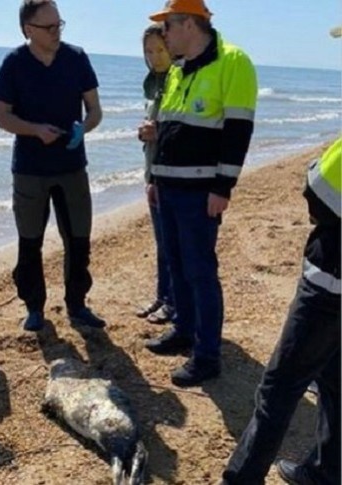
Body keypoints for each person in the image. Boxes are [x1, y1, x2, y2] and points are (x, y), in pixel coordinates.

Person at [143, 0, 258, 386]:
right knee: (175, 263)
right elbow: (176, 128)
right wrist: (155, 172)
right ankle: (183, 330)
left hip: (199, 192)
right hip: (168, 186)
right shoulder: (178, 69)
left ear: (189, 25)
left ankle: (207, 355)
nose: (163, 36)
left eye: (167, 28)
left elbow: (238, 132)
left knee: (199, 270)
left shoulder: (233, 62)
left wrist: (223, 187)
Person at [221, 138, 341, 484]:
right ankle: (325, 472)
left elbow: (318, 193)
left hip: (330, 285)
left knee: (280, 388)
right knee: (335, 380)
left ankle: (241, 480)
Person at [0, 0, 104, 332]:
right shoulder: (13, 63)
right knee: (30, 242)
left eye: (59, 25)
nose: (57, 32)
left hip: (72, 166)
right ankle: (34, 307)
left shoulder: (76, 58)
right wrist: (36, 130)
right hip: (30, 170)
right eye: (49, 27)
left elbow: (95, 110)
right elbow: (3, 118)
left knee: (79, 239)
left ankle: (77, 305)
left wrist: (86, 127)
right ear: (29, 29)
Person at [136, 23, 175, 325]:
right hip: (152, 170)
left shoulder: (178, 79)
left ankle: (173, 302)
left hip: (171, 173)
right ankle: (162, 296)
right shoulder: (152, 82)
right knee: (160, 241)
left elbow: (183, 129)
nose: (154, 57)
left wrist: (158, 131)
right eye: (149, 51)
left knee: (171, 243)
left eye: (160, 50)